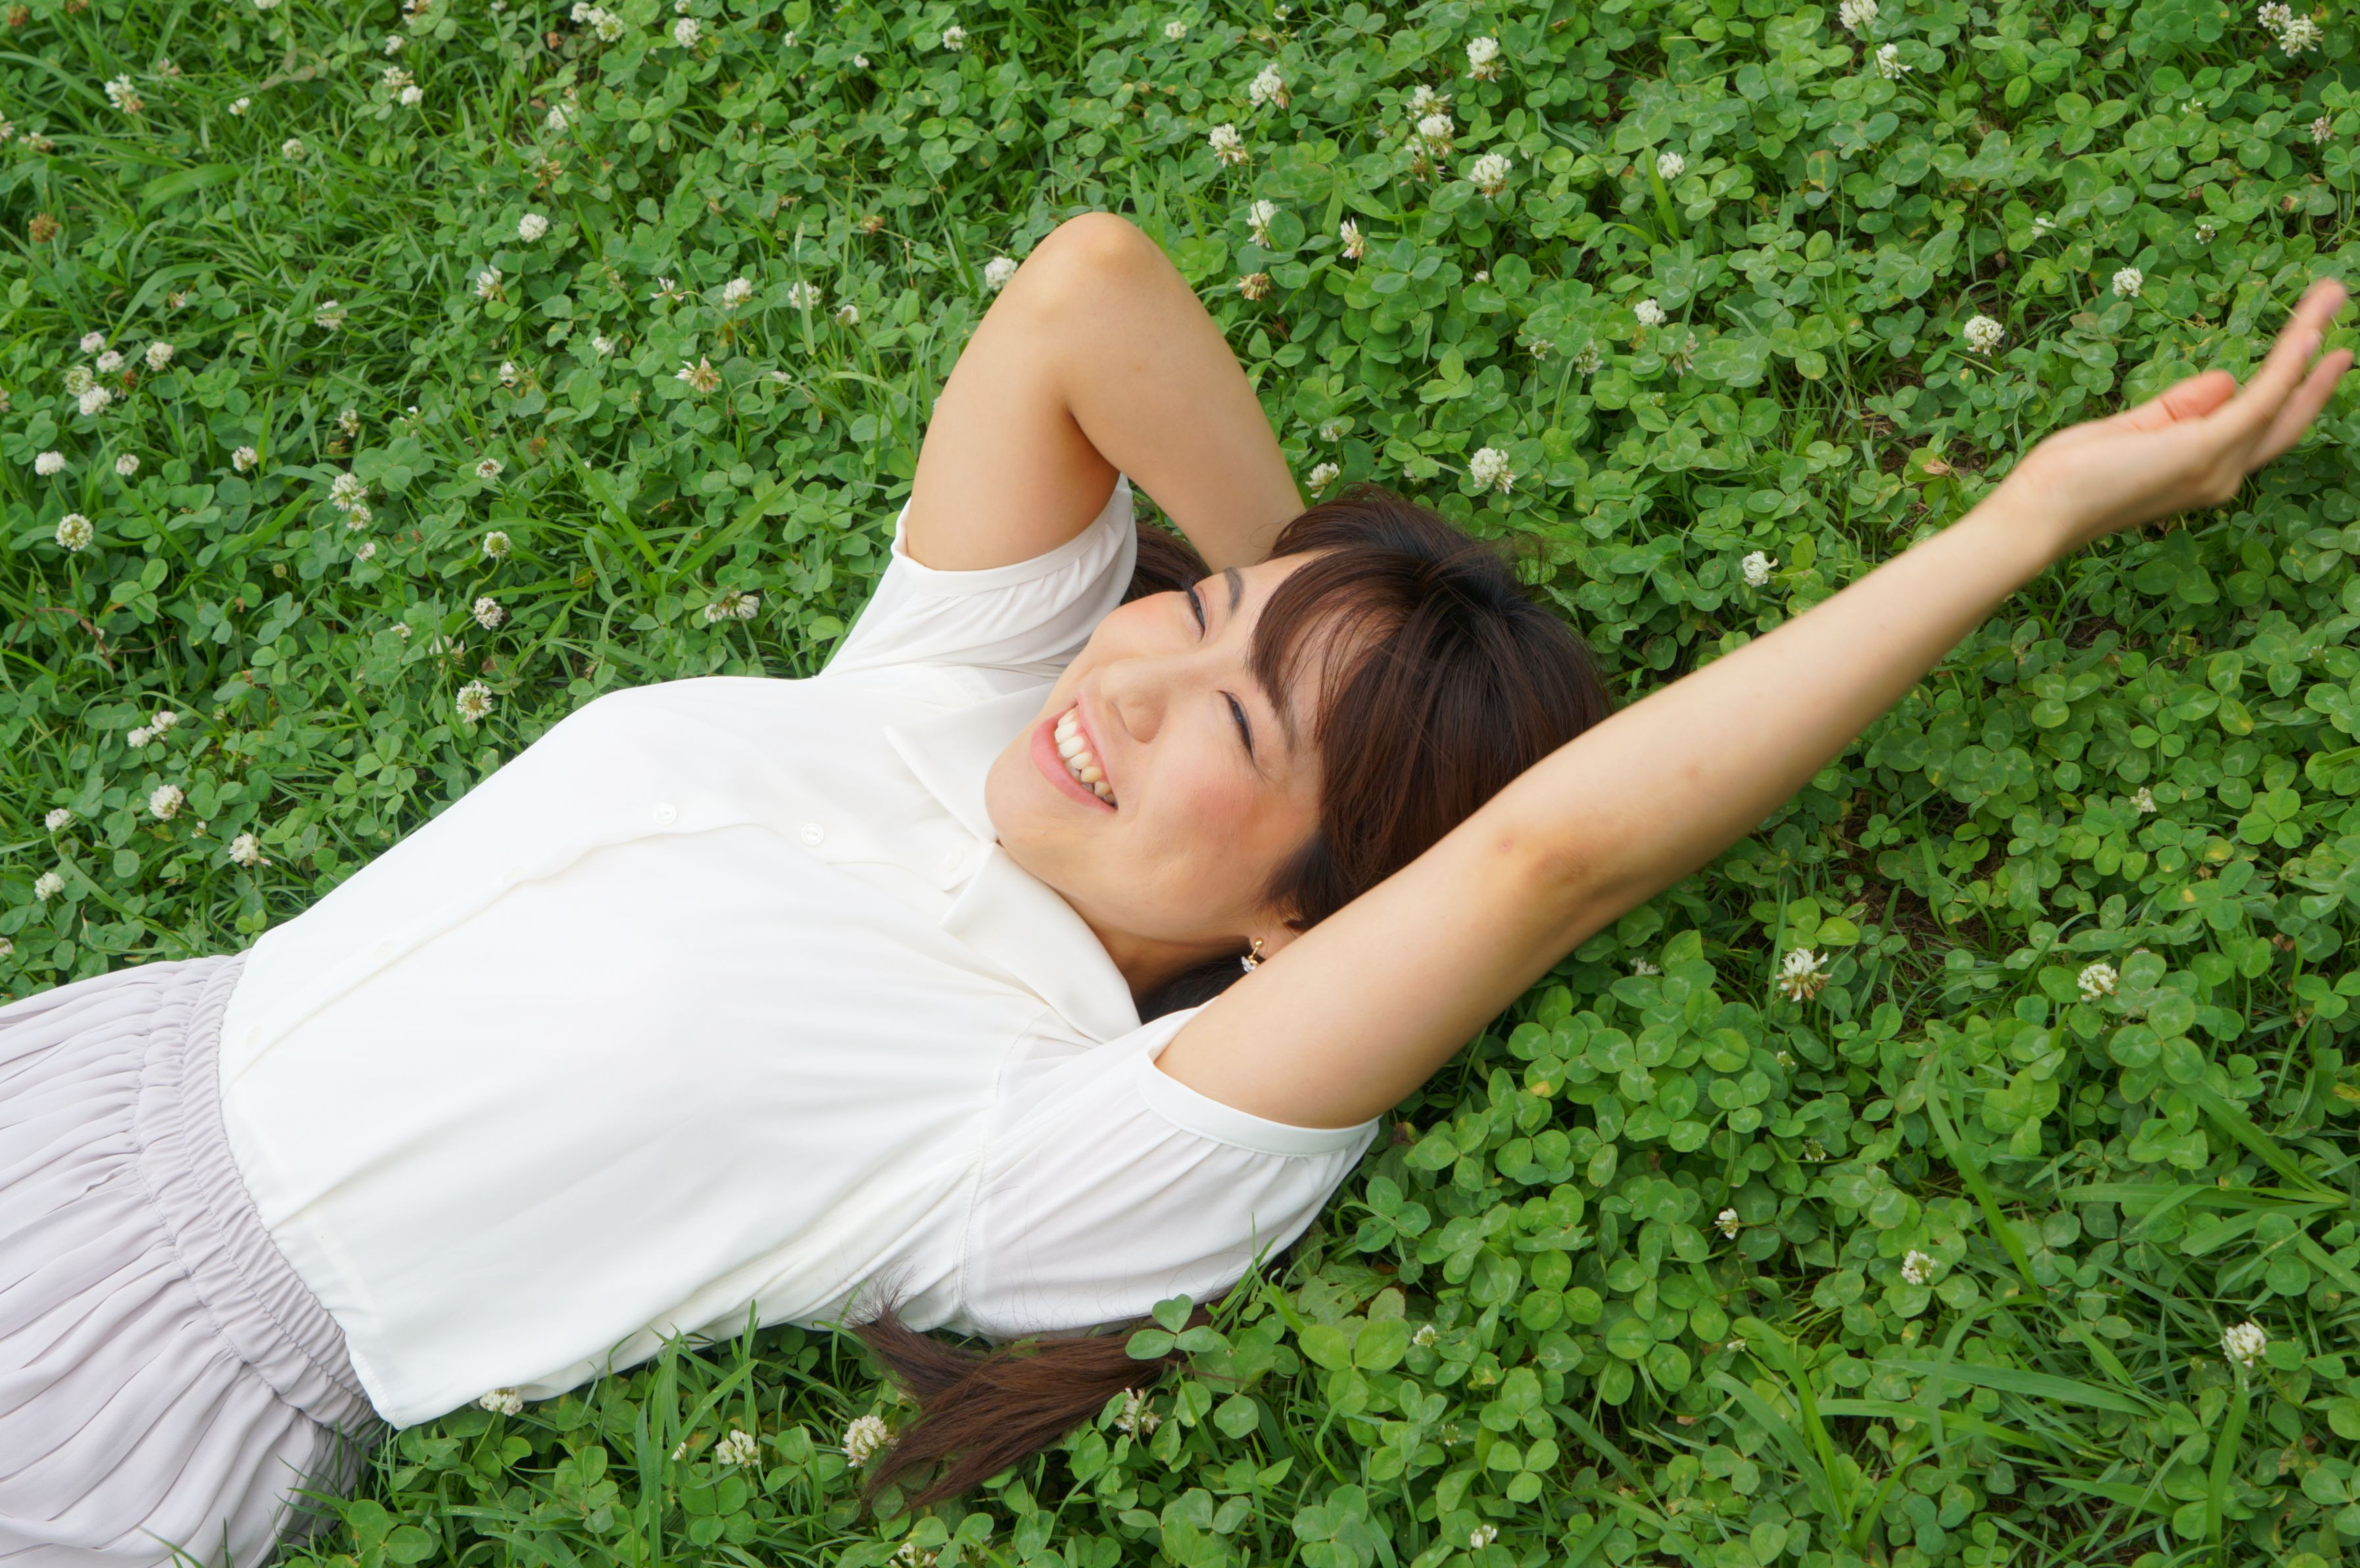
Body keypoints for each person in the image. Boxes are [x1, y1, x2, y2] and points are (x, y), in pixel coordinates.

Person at [0, 213, 2346, 1564]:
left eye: (1231, 723)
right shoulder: (952, 694)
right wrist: (1318, 619)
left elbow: (1549, 853)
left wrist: (2023, 517)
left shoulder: (1043, 1133)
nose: (1127, 670)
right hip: (87, 1065)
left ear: (1302, 926)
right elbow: (1086, 292)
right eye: (1188, 615)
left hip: (130, 1388)